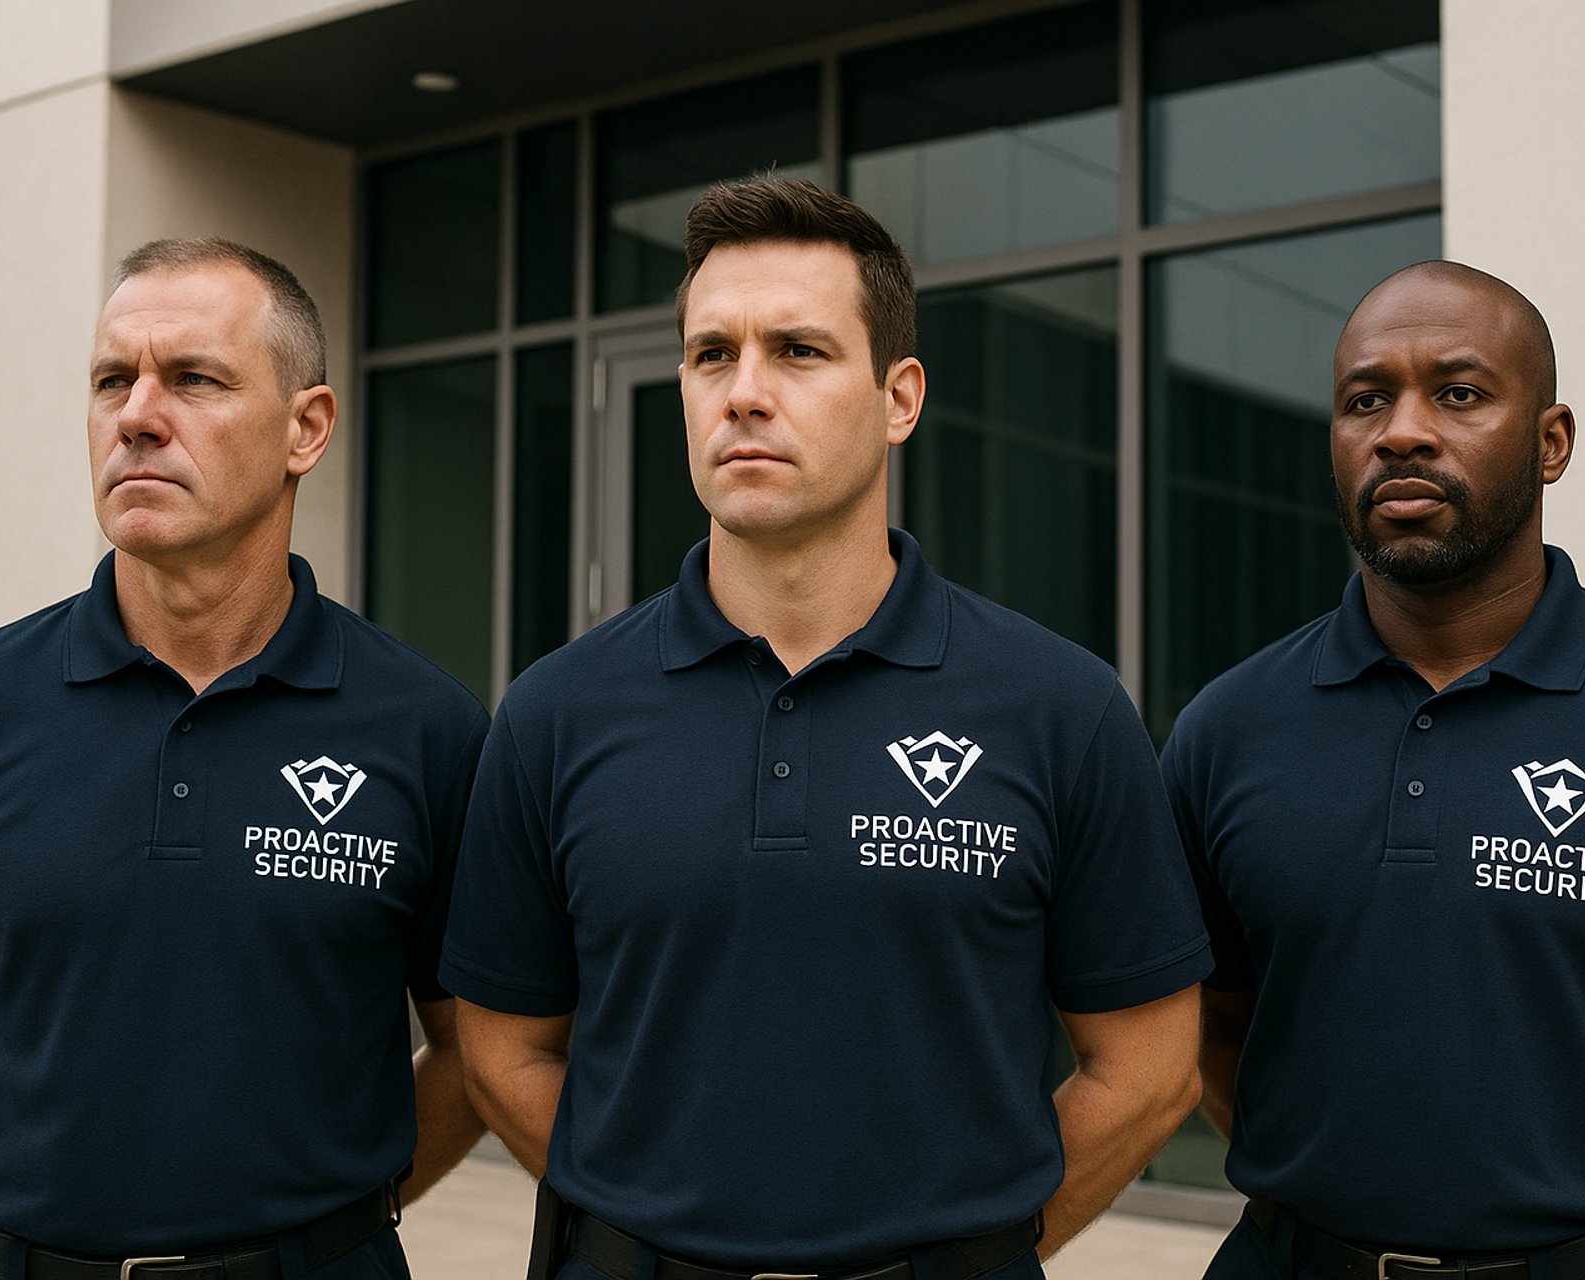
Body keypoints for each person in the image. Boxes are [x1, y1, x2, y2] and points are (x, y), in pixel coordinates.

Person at [442, 176, 1210, 1279]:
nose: (744, 392)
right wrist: (644, 1228)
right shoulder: (556, 711)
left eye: (797, 351)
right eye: (713, 355)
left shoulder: (1061, 707)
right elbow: (502, 1048)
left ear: (900, 396)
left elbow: (1148, 1072)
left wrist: (971, 1255)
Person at [0, 238, 490, 1279]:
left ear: (308, 427)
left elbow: (477, 1048)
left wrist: (325, 1217)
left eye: (194, 379)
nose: (138, 415)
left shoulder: (428, 730)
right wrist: (31, 1189)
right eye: (114, 379)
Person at [1163, 260, 1585, 1280]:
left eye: (1458, 393)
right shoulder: (1228, 727)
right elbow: (1208, 1028)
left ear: (1551, 442)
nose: (1401, 430)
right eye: (1366, 399)